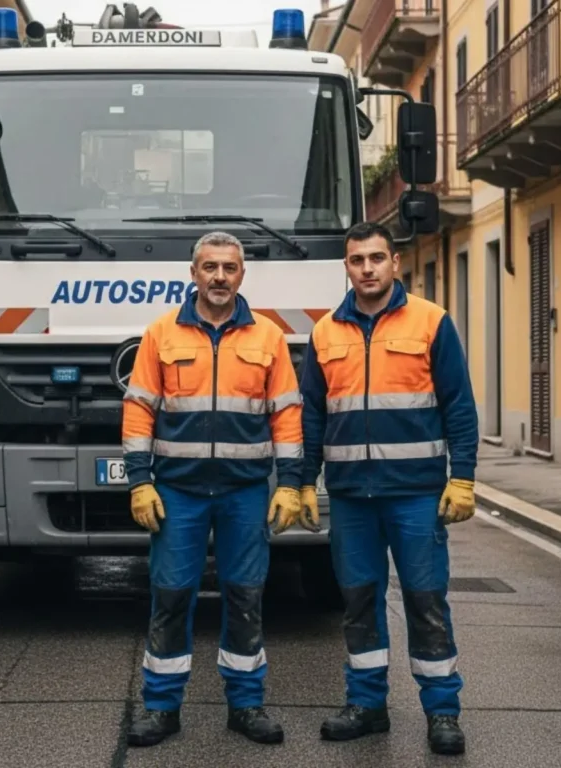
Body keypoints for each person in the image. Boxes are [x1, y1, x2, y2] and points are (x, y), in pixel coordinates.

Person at [297, 221, 478, 756]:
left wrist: (463, 477)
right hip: (351, 497)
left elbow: (459, 406)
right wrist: (302, 482)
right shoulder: (325, 331)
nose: (368, 269)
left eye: (377, 258)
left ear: (395, 263)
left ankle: (442, 711)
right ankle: (367, 704)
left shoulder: (431, 322)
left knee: (425, 600)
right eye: (357, 260)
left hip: (417, 494)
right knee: (358, 601)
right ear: (347, 267)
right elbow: (311, 414)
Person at [121, 231, 304, 747]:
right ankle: (161, 708)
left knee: (245, 595)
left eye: (229, 268)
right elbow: (139, 409)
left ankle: (246, 705)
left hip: (244, 492)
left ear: (242, 275)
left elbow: (286, 414)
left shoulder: (268, 337)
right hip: (177, 492)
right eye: (210, 267)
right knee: (171, 595)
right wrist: (139, 481)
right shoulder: (161, 334)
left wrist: (290, 485)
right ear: (193, 274)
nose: (219, 277)